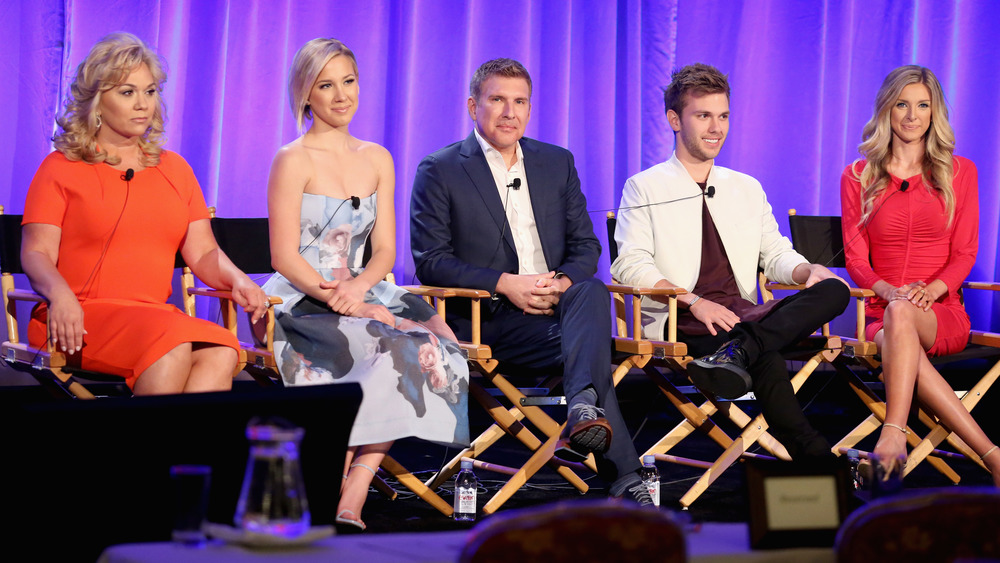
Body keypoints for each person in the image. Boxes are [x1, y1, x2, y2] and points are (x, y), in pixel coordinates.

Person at [410, 58, 650, 504]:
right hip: (489, 317)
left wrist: (560, 283)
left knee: (589, 290)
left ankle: (583, 411)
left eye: (520, 101)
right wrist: (504, 283)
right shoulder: (440, 169)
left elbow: (587, 248)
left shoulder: (556, 162)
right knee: (593, 346)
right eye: (497, 100)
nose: (509, 112)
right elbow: (431, 262)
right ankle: (616, 463)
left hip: (561, 311)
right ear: (472, 106)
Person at [262, 38, 470, 531]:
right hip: (306, 293)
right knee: (380, 344)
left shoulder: (378, 157)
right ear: (305, 94)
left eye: (349, 82)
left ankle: (355, 482)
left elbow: (385, 252)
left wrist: (361, 292)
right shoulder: (291, 159)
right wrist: (340, 297)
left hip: (366, 289)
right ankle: (335, 480)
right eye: (326, 85)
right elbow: (283, 256)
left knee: (430, 345)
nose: (340, 96)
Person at [612, 63, 850, 460]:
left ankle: (740, 349)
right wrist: (693, 300)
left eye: (723, 116)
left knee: (833, 290)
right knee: (766, 355)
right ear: (674, 119)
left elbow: (774, 253)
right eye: (703, 116)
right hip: (684, 319)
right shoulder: (645, 186)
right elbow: (630, 265)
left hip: (743, 316)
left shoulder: (746, 187)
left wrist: (805, 270)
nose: (715, 128)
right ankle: (819, 461)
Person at [21, 32, 267, 395]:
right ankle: (145, 452)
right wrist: (60, 296)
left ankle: (182, 453)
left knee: (221, 349)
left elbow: (203, 252)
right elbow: (36, 252)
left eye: (150, 92)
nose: (142, 104)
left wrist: (238, 279)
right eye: (127, 92)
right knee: (169, 345)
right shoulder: (59, 168)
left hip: (153, 319)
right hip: (75, 316)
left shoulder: (175, 169)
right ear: (97, 102)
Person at [840, 65, 998, 484]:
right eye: (902, 104)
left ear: (935, 112)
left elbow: (965, 252)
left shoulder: (960, 171)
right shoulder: (858, 176)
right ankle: (994, 456)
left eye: (922, 105)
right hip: (879, 311)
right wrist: (890, 292)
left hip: (940, 309)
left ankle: (892, 434)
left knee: (906, 315)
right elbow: (856, 260)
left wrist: (930, 290)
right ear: (887, 111)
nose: (912, 115)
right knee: (898, 318)